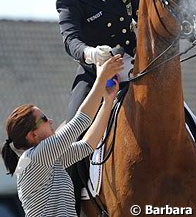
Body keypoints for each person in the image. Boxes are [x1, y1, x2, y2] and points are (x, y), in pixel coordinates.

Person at [46, 0, 196, 214]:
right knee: (73, 135)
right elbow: (70, 40)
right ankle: (78, 204)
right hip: (98, 77)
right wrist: (91, 53)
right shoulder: (67, 1)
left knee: (193, 122)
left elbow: (146, 14)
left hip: (139, 67)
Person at [1, 55, 124, 217]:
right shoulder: (36, 158)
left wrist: (108, 101)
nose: (50, 120)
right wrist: (100, 80)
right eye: (44, 119)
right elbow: (79, 122)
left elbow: (87, 145)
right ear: (32, 135)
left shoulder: (47, 160)